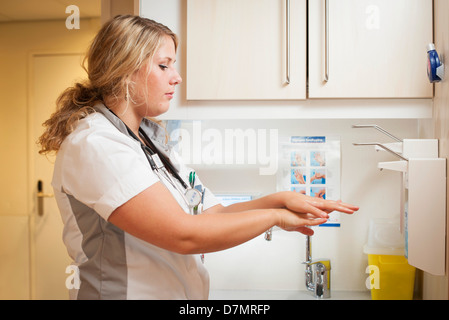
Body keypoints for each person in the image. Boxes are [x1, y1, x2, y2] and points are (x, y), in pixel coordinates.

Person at [38, 15, 359, 300]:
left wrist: (281, 200)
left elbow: (211, 215)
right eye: (164, 66)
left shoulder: (149, 138)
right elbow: (185, 235)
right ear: (125, 71)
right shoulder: (96, 144)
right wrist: (275, 218)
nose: (176, 77)